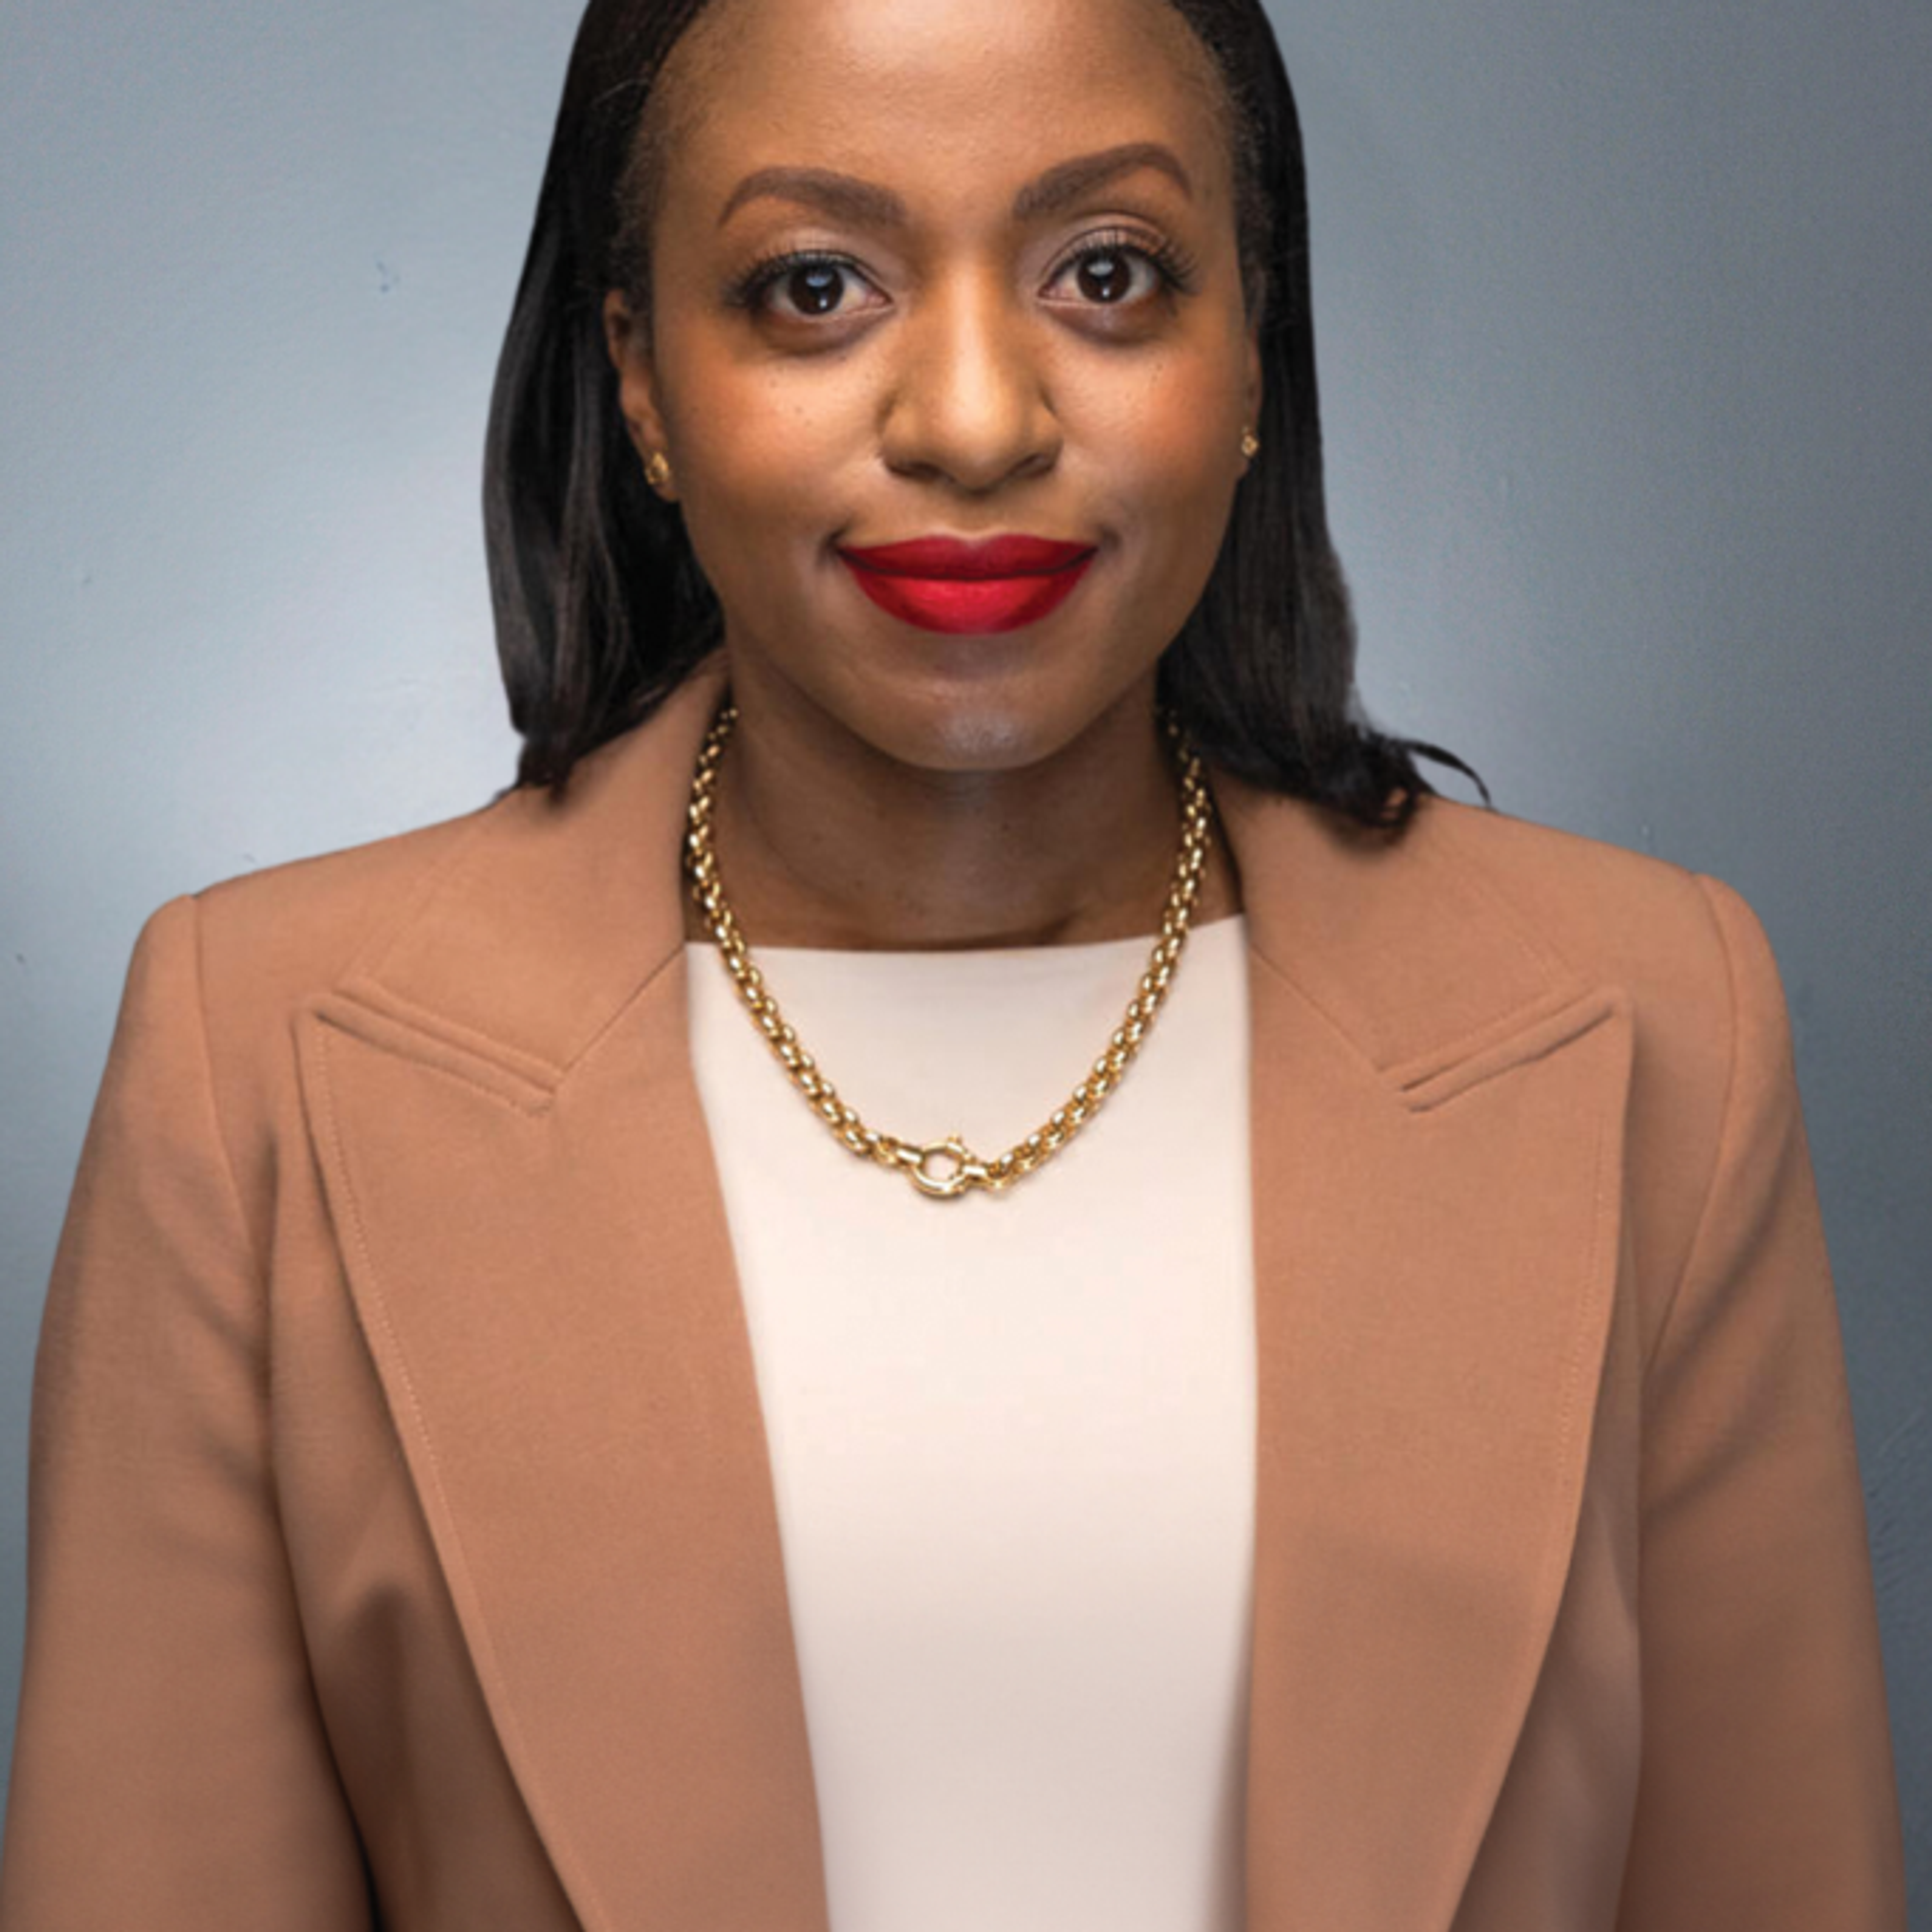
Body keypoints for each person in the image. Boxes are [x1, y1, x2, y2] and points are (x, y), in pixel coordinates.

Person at [0, 0, 1907, 1924]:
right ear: (642, 380)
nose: (976, 419)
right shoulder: (252, 1068)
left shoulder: (1656, 1025)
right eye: (815, 284)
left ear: (1253, 344)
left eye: (1108, 271)